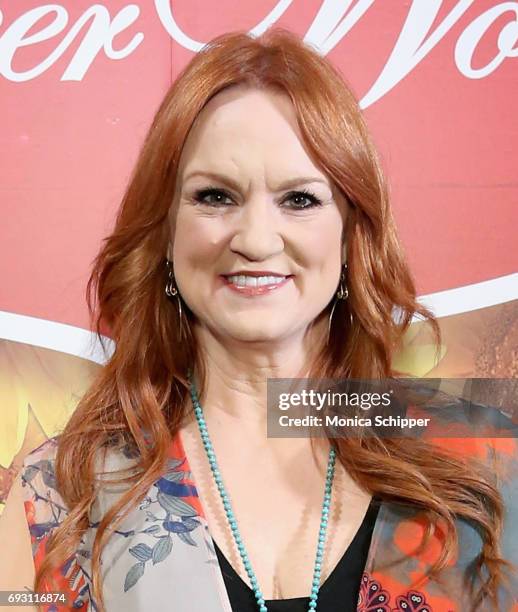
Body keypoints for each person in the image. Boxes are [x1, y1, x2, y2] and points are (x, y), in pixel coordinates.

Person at [0, 28, 516, 612]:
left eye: (299, 199)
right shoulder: (59, 492)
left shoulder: (487, 455)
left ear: (351, 234)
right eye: (215, 196)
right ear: (165, 231)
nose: (254, 239)